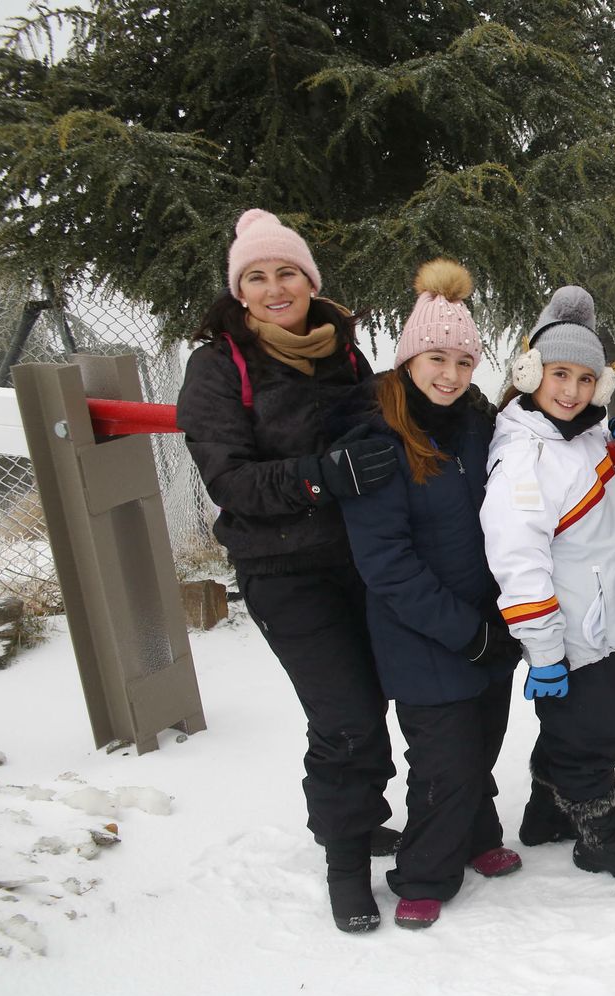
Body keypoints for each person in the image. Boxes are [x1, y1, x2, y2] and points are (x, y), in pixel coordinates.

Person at [177, 209, 398, 933]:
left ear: (310, 280)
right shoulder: (218, 367)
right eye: (258, 277)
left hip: (363, 558)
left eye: (288, 273)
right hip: (284, 569)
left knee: (375, 699)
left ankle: (360, 820)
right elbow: (230, 480)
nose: (276, 288)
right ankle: (342, 862)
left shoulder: (345, 352)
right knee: (344, 713)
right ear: (240, 292)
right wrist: (317, 476)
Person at [334, 259, 524, 930]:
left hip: (486, 622)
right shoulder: (377, 438)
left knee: (483, 739)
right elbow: (384, 561)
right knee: (444, 760)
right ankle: (423, 871)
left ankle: (476, 834)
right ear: (410, 358)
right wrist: (462, 630)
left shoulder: (476, 422)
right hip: (422, 633)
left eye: (464, 362)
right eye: (436, 358)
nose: (450, 374)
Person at [481, 285, 615, 881]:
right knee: (593, 734)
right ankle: (598, 833)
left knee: (584, 722)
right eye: (559, 374)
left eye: (587, 379)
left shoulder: (574, 431)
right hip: (569, 634)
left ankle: (545, 812)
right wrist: (543, 651)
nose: (573, 391)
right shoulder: (524, 459)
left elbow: (582, 456)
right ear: (530, 372)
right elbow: (518, 561)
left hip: (600, 620)